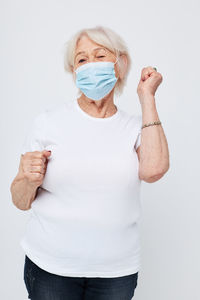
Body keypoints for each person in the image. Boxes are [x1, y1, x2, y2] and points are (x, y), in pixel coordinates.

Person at [10, 25, 170, 300]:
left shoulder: (134, 127)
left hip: (115, 273)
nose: (90, 66)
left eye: (100, 56)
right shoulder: (48, 123)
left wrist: (147, 97)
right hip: (51, 269)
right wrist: (27, 179)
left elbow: (154, 170)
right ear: (73, 71)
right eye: (82, 60)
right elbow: (21, 200)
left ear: (120, 64)